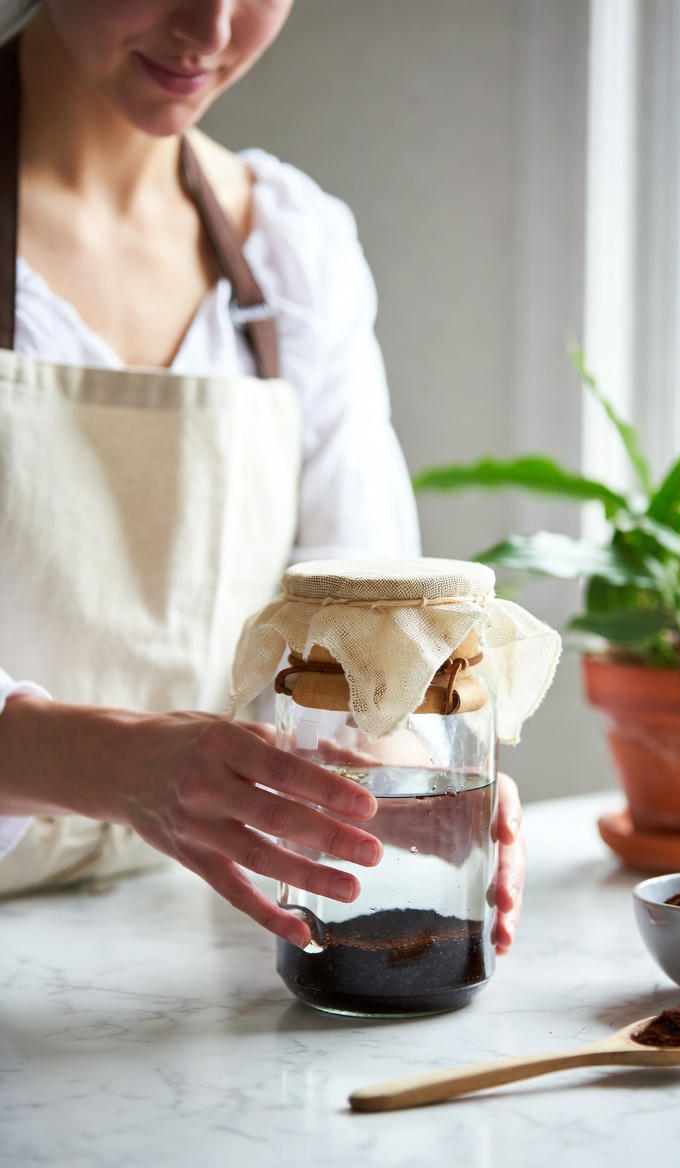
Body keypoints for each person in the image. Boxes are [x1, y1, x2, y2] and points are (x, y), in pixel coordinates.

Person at [0, 0, 524, 953]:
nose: (211, 29)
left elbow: (362, 637)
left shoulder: (294, 250)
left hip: (176, 936)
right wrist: (123, 766)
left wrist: (411, 775)